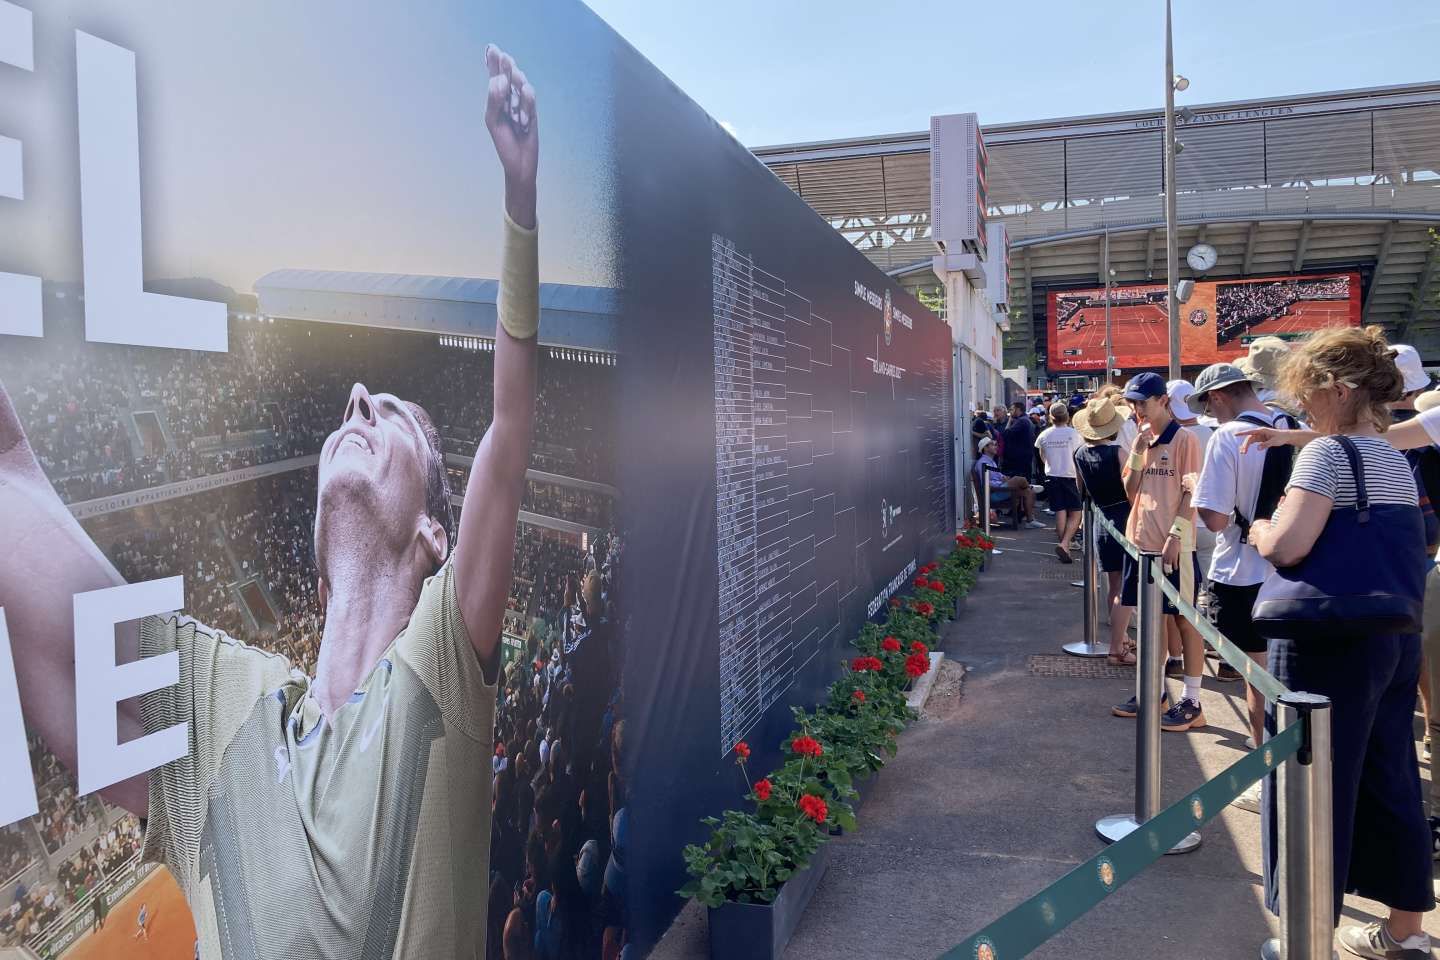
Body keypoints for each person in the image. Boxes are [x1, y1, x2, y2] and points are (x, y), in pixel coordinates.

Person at [0, 46, 542, 959]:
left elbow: (509, 427)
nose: (359, 398)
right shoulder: (225, 706)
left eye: (398, 417)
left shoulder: (442, 668)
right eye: (356, 407)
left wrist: (519, 205)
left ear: (433, 538)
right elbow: (31, 542)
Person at [1245, 326, 1433, 960]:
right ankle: (1404, 931)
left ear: (1338, 389)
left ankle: (1306, 939)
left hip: (1327, 643)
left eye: (1306, 392)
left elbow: (1290, 545)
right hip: (1393, 634)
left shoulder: (1327, 456)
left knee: (1311, 786)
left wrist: (1262, 530)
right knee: (1391, 775)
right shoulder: (1387, 454)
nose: (1301, 406)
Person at [1189, 362, 1296, 811]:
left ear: (1217, 397)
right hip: (1298, 571)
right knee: (1293, 677)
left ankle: (1270, 776)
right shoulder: (1297, 428)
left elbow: (1213, 519)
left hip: (1245, 571)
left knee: (1258, 681)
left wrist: (1197, 486)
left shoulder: (1227, 437)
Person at [1108, 373, 1208, 731]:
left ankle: (1193, 701)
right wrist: (1136, 453)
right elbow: (1131, 491)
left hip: (1173, 548)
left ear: (1162, 401)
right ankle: (1153, 691)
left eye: (1142, 403)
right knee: (1152, 621)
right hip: (1140, 543)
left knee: (1184, 619)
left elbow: (1192, 493)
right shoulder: (1141, 440)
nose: (1137, 410)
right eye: (1133, 403)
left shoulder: (1185, 440)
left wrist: (1177, 536)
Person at [1072, 397, 1133, 664]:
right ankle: (1117, 646)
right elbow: (1132, 489)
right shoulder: (1118, 452)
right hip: (1123, 518)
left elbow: (1080, 489)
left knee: (1113, 584)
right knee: (1126, 587)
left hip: (1100, 518)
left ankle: (1119, 639)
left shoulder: (1080, 454)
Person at [1035, 403, 1085, 562]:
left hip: (1052, 475)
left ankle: (1064, 546)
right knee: (1076, 512)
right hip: (1070, 475)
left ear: (1051, 417)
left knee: (1060, 511)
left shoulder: (1044, 435)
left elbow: (1042, 457)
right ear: (1067, 416)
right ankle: (1065, 543)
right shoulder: (1075, 434)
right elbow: (1079, 456)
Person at [975, 436, 1044, 529]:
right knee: (1018, 479)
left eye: (996, 444)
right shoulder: (982, 463)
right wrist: (1000, 482)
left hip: (1000, 490)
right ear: (985, 448)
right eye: (993, 444)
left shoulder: (991, 462)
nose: (996, 446)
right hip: (993, 494)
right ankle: (1030, 486)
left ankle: (1030, 521)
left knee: (1028, 492)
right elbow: (986, 483)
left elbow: (998, 476)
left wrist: (1004, 478)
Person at [1000, 400, 1037, 483]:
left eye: (1012, 409)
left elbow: (1006, 434)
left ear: (1018, 409)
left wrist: (1009, 421)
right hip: (1025, 457)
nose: (1010, 412)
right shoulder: (1027, 420)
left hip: (1018, 459)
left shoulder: (1021, 421)